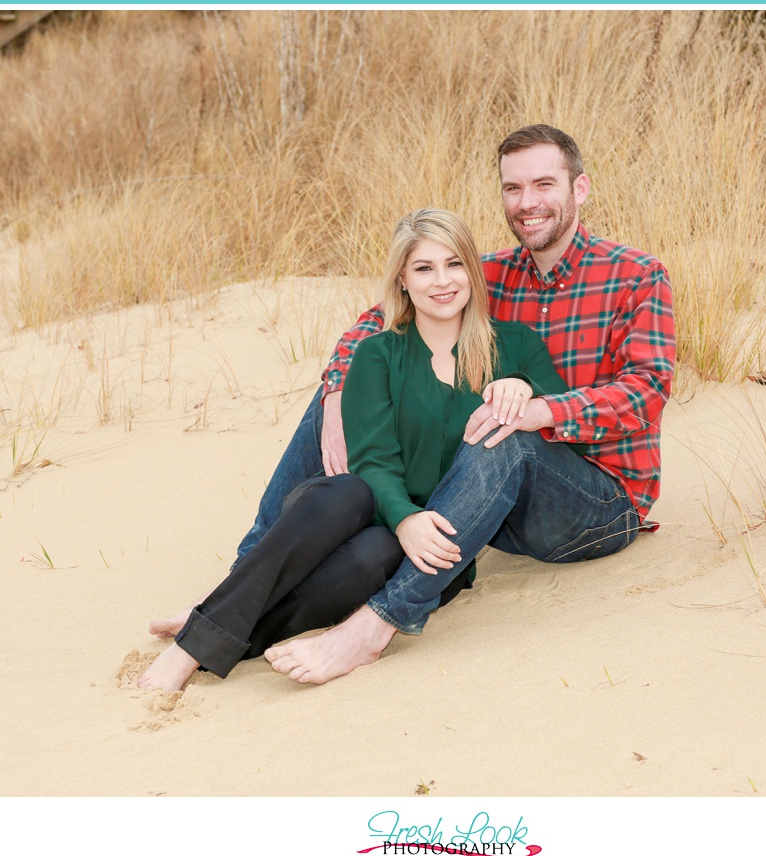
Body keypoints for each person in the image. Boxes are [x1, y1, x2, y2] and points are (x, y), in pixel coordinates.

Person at [259, 125, 676, 685]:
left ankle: (375, 626)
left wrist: (544, 410)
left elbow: (647, 390)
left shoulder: (636, 276)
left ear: (581, 189)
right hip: (487, 495)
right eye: (512, 188)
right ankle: (245, 576)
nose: (526, 203)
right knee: (353, 382)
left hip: (599, 502)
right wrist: (337, 391)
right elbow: (373, 327)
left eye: (544, 184)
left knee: (509, 432)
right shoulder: (485, 274)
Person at [137, 208, 572, 691]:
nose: (442, 281)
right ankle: (191, 647)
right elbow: (374, 461)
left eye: (455, 264)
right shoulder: (377, 353)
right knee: (345, 492)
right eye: (424, 269)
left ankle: (220, 630)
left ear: (473, 269)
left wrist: (523, 386)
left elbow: (556, 413)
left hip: (436, 543)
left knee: (373, 555)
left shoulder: (517, 345)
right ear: (403, 280)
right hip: (355, 512)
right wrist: (404, 517)